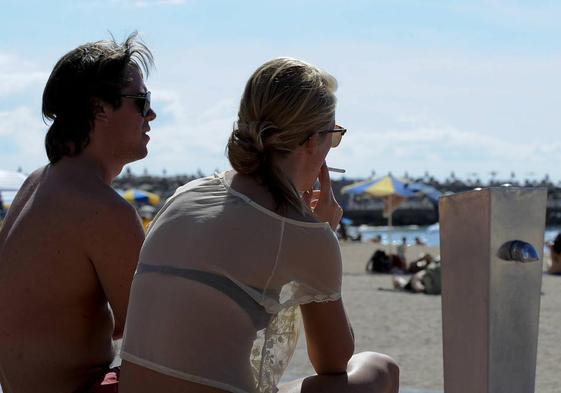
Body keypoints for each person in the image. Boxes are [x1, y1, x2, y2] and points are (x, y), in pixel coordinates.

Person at [119, 58, 399, 393]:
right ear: (312, 141)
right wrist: (322, 234)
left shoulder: (186, 194)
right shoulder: (301, 233)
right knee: (380, 367)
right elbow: (333, 360)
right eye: (333, 136)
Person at [0, 33, 156, 393]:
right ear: (100, 108)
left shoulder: (39, 183)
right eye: (141, 100)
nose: (151, 113)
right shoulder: (103, 210)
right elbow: (152, 331)